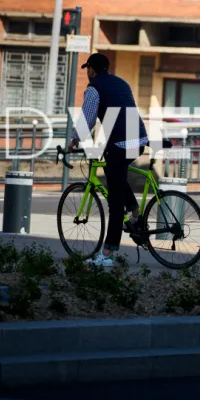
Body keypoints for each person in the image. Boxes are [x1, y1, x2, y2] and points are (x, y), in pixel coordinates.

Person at [68, 53, 148, 268]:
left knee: (114, 203)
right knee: (117, 173)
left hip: (121, 142)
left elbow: (88, 118)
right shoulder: (121, 83)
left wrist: (74, 140)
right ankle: (134, 211)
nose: (88, 73)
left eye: (88, 70)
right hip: (138, 139)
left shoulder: (94, 88)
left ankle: (108, 254)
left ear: (92, 70)